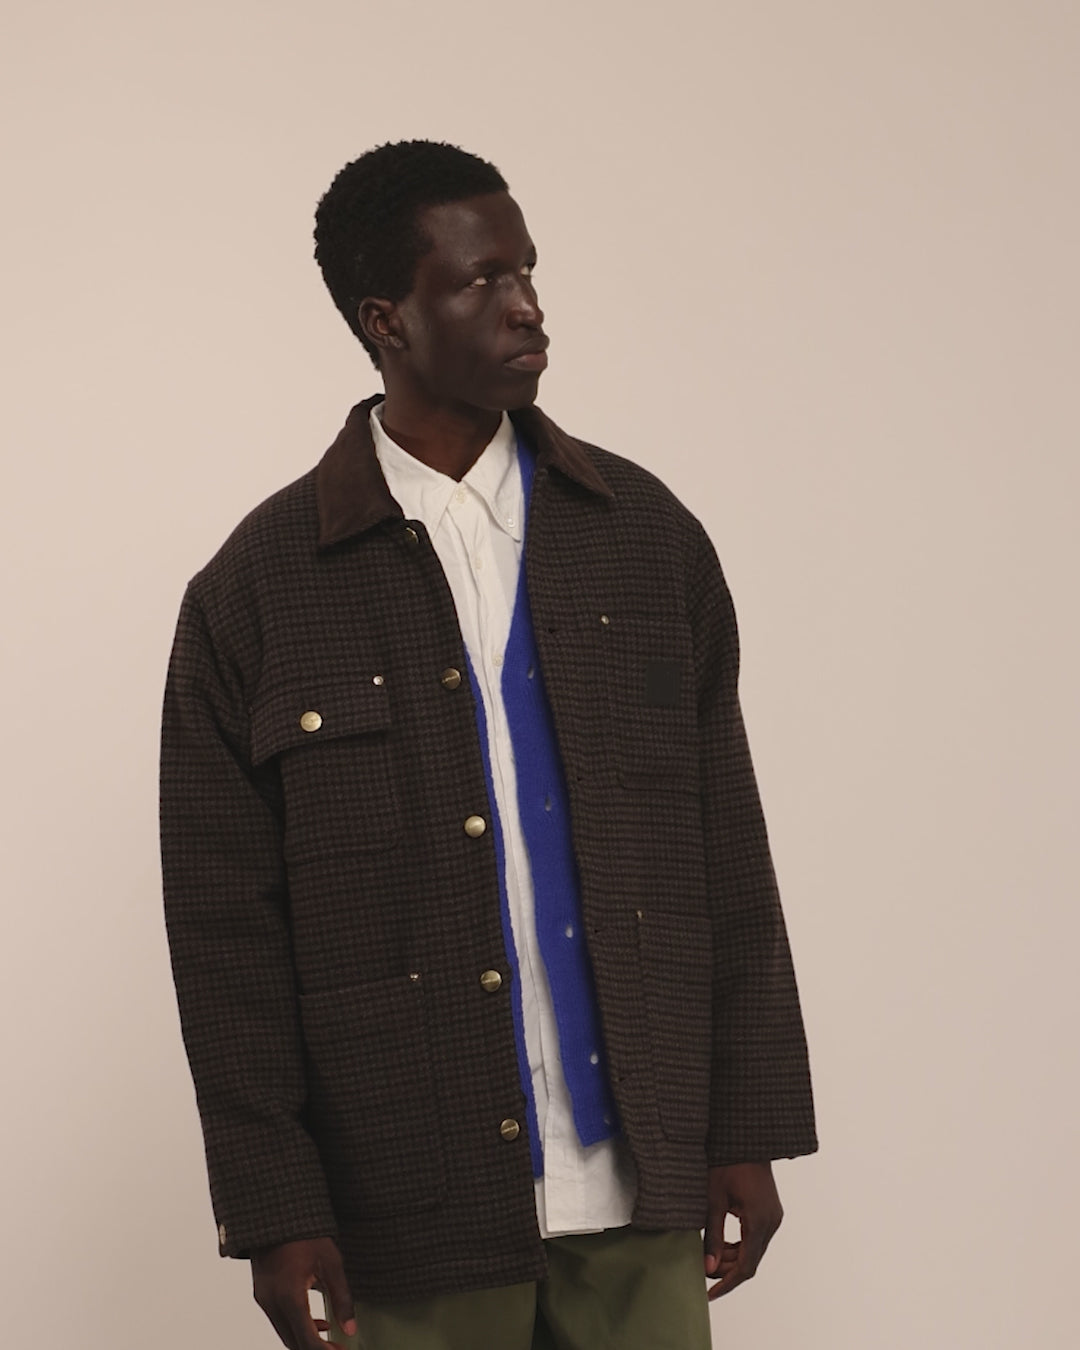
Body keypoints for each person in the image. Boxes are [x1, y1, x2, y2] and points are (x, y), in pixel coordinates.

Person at [160, 139, 817, 1350]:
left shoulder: (647, 540)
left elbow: (725, 851)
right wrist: (273, 1208)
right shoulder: (257, 593)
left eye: (527, 271)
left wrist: (747, 1124)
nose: (527, 306)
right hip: (409, 1201)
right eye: (480, 281)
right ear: (387, 321)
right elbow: (224, 939)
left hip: (642, 1185)